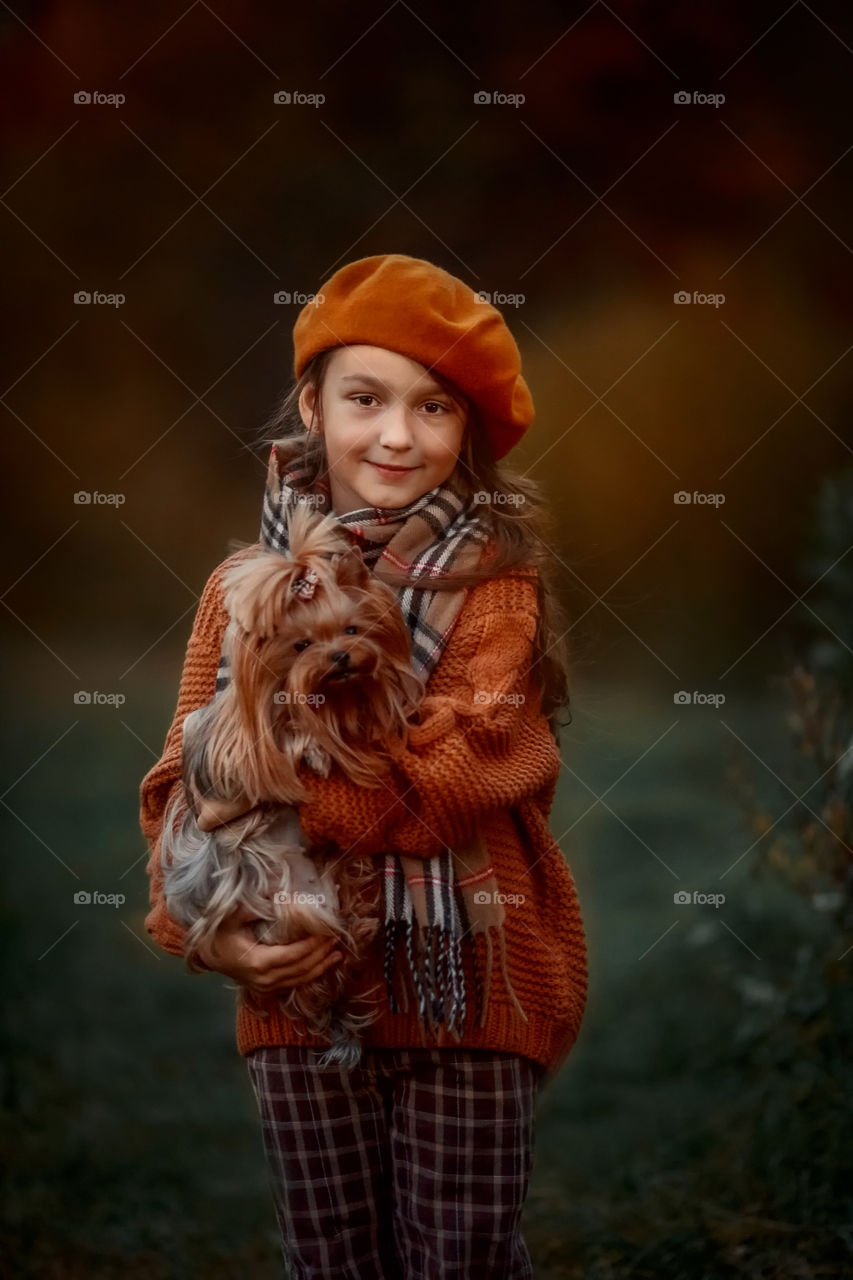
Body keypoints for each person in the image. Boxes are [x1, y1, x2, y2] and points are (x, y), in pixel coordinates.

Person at [139, 253, 588, 1279]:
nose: (396, 434)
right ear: (311, 404)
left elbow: (458, 779)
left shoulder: (496, 586)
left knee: (462, 1254)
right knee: (329, 1253)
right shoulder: (238, 590)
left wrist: (280, 769)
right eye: (365, 397)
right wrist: (212, 935)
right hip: (293, 985)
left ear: (466, 429)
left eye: (433, 406)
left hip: (466, 982)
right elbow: (182, 781)